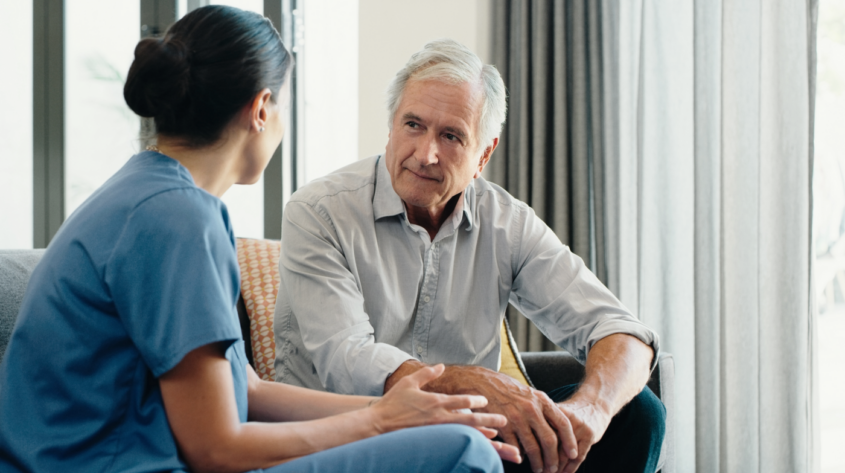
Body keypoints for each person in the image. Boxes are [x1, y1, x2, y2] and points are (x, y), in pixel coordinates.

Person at [0, 8, 520, 473]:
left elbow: (246, 390)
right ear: (262, 108)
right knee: (464, 452)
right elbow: (217, 449)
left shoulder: (152, 194)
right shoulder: (178, 218)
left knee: (446, 435)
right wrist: (382, 424)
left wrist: (400, 411)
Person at [274, 38, 666, 473]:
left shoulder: (507, 223)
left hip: (474, 443)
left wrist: (590, 411)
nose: (426, 155)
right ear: (390, 127)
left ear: (484, 154)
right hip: (351, 437)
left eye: (451, 136)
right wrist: (467, 382)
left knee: (638, 414)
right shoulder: (317, 212)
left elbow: (620, 331)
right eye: (413, 126)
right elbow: (344, 358)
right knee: (464, 445)